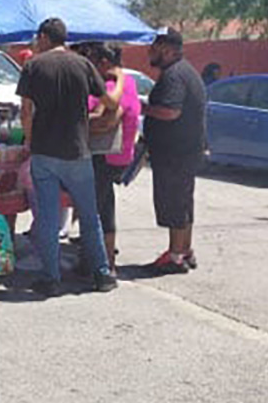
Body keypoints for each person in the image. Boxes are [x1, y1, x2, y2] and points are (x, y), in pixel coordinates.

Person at [16, 19, 121, 296]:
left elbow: (26, 111)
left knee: (49, 218)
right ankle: (102, 274)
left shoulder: (33, 66)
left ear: (44, 37)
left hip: (45, 153)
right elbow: (110, 102)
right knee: (89, 215)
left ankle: (51, 277)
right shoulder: (83, 65)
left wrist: (30, 140)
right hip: (77, 151)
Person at [143, 29, 207, 274]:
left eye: (155, 48)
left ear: (168, 50)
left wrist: (144, 109)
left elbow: (170, 111)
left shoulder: (174, 76)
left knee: (175, 202)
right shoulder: (185, 71)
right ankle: (185, 249)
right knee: (183, 201)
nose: (151, 52)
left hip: (175, 152)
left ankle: (175, 255)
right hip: (185, 151)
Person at [86, 44, 141, 275]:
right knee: (102, 206)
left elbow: (108, 121)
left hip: (105, 155)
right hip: (114, 156)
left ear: (105, 63)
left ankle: (105, 264)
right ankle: (102, 260)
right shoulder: (128, 81)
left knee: (101, 208)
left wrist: (80, 125)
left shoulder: (112, 86)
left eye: (92, 62)